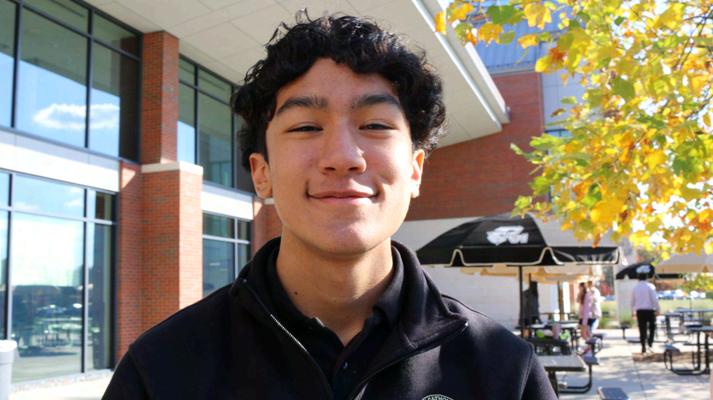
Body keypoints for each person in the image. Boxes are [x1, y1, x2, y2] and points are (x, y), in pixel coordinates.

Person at [103, 14, 556, 399]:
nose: (342, 157)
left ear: (415, 170)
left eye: (375, 124)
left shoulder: (503, 370)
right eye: (305, 127)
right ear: (261, 172)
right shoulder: (162, 370)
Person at [631, 265, 660, 354]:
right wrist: (658, 309)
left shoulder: (635, 288)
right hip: (650, 310)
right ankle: (650, 343)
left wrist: (632, 312)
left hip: (640, 311)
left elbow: (632, 301)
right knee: (652, 328)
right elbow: (655, 299)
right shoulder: (650, 286)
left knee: (642, 329)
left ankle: (643, 345)